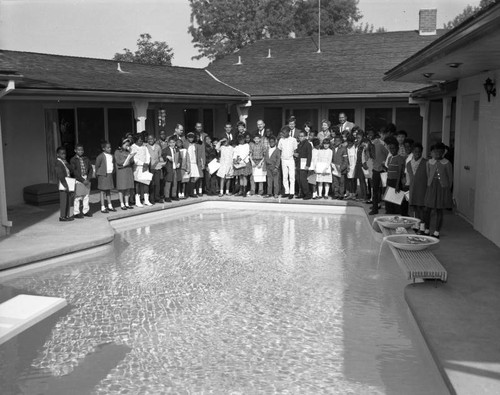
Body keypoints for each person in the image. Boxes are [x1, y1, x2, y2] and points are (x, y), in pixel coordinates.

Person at [424, 143, 453, 238]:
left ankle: (436, 232)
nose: (437, 154)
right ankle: (427, 229)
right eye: (435, 151)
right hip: (431, 187)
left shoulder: (447, 163)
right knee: (427, 209)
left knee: (439, 210)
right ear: (431, 152)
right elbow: (428, 175)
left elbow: (450, 178)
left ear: (443, 152)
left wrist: (447, 190)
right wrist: (429, 185)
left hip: (442, 188)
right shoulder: (429, 163)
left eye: (440, 152)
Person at [406, 143, 427, 233]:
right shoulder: (408, 163)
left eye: (419, 151)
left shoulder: (426, 163)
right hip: (413, 188)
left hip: (422, 188)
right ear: (412, 152)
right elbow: (408, 177)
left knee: (421, 207)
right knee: (414, 207)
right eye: (415, 151)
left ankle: (422, 226)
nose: (417, 153)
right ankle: (416, 224)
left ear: (422, 152)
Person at [70, 143, 93, 218]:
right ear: (75, 150)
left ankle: (85, 211)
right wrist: (82, 180)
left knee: (86, 195)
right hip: (78, 180)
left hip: (86, 178)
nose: (80, 151)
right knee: (78, 196)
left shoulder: (86, 159)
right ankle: (76, 212)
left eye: (82, 150)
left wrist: (88, 178)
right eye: (78, 150)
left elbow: (90, 169)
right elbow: (74, 171)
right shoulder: (73, 160)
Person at [384, 137, 406, 214]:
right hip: (389, 181)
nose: (392, 150)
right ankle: (390, 214)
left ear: (397, 148)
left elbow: (400, 172)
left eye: (393, 148)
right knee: (389, 200)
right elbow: (388, 170)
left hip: (396, 181)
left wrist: (397, 185)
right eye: (390, 148)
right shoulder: (390, 158)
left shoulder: (400, 158)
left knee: (396, 201)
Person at [369, 132, 389, 215]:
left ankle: (376, 208)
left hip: (381, 170)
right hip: (378, 169)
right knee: (380, 189)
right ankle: (376, 207)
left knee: (379, 190)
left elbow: (387, 155)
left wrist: (384, 163)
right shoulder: (373, 146)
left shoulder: (379, 145)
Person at [130, 134, 152, 207]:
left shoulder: (144, 147)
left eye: (142, 140)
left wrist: (147, 163)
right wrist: (142, 163)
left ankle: (146, 199)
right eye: (140, 140)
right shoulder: (132, 147)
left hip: (145, 167)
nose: (141, 142)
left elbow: (148, 156)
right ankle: (137, 200)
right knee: (138, 184)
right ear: (136, 141)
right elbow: (134, 158)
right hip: (137, 167)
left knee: (146, 183)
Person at [95, 141, 116, 214]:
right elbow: (97, 165)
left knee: (108, 190)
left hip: (109, 174)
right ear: (103, 148)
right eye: (108, 148)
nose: (109, 149)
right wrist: (98, 173)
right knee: (102, 191)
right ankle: (102, 206)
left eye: (110, 147)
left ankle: (110, 205)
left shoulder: (111, 156)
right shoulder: (100, 156)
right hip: (103, 175)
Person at [115, 138, 135, 210]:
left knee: (128, 188)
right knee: (121, 188)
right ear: (121, 144)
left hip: (128, 171)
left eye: (128, 145)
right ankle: (122, 203)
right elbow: (119, 162)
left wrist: (131, 155)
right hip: (122, 171)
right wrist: (126, 160)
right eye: (125, 144)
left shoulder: (128, 152)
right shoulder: (117, 152)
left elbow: (132, 161)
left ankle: (127, 203)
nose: (127, 146)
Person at [278, 126, 298, 199]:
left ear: (288, 132)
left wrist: (295, 159)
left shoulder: (293, 140)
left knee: (292, 176)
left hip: (291, 159)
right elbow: (279, 150)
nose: (283, 134)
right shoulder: (281, 140)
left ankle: (292, 192)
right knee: (285, 176)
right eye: (282, 132)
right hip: (283, 159)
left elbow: (295, 150)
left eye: (284, 132)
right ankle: (286, 191)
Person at [55, 146, 74, 222]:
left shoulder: (64, 162)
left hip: (68, 181)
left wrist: (67, 164)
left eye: (65, 154)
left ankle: (67, 215)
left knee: (68, 200)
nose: (64, 155)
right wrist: (65, 185)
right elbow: (60, 175)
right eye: (62, 154)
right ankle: (62, 216)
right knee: (64, 200)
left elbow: (71, 170)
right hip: (63, 183)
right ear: (58, 154)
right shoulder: (58, 163)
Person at [162, 136, 181, 202]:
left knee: (175, 183)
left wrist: (179, 163)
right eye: (171, 143)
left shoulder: (177, 149)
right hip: (168, 168)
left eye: (173, 142)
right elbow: (162, 156)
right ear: (168, 143)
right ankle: (167, 196)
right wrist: (166, 156)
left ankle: (174, 195)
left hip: (175, 168)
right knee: (168, 182)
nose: (172, 144)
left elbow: (180, 158)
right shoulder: (165, 150)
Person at [146, 134, 163, 204]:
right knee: (151, 183)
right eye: (149, 139)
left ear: (155, 139)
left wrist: (162, 163)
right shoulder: (146, 147)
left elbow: (160, 156)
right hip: (150, 167)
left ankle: (157, 197)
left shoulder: (158, 146)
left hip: (157, 167)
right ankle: (151, 198)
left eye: (152, 139)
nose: (150, 140)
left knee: (157, 183)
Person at [296, 130, 312, 199]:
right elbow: (298, 154)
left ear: (305, 137)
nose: (300, 138)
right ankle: (301, 193)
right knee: (299, 180)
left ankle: (307, 194)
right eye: (299, 136)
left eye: (302, 136)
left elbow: (309, 155)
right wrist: (295, 154)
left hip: (304, 164)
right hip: (299, 163)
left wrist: (308, 165)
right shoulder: (299, 144)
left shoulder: (308, 144)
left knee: (303, 180)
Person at [331, 134, 347, 200]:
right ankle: (336, 194)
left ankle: (341, 194)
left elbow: (345, 161)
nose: (336, 142)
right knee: (335, 182)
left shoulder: (343, 149)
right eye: (335, 141)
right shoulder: (332, 148)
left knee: (341, 182)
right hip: (334, 168)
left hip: (341, 169)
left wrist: (341, 168)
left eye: (338, 141)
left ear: (341, 141)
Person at [186, 132, 202, 198]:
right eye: (190, 137)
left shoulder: (195, 145)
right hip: (188, 162)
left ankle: (191, 191)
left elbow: (197, 154)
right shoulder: (186, 144)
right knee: (188, 178)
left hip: (194, 162)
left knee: (195, 177)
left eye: (192, 137)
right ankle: (188, 192)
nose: (191, 138)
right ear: (187, 137)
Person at [353, 131, 368, 201]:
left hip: (362, 164)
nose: (357, 139)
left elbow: (365, 155)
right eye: (357, 138)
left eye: (359, 138)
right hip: (358, 164)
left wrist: (364, 163)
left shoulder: (364, 145)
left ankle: (364, 197)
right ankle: (362, 195)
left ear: (363, 138)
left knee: (362, 180)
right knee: (360, 180)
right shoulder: (357, 145)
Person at [345, 135, 357, 199]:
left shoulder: (355, 148)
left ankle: (354, 193)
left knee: (353, 180)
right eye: (348, 142)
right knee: (349, 180)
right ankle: (350, 193)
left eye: (351, 143)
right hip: (348, 167)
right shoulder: (346, 148)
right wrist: (347, 165)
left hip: (354, 166)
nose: (349, 144)